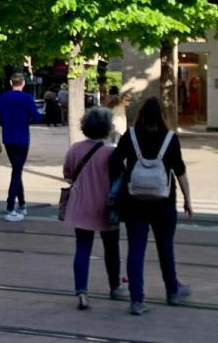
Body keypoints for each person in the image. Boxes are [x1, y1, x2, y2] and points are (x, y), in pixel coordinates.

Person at [109, 97, 193, 315]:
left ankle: (137, 300)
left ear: (141, 114)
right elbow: (180, 170)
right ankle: (172, 291)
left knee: (136, 250)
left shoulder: (130, 136)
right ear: (162, 116)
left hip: (134, 202)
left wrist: (128, 174)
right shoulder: (170, 138)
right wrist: (187, 199)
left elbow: (114, 162)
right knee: (166, 248)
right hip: (164, 203)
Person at [63, 107, 124, 311]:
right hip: (106, 207)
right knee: (112, 248)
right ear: (107, 128)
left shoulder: (75, 149)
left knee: (82, 248)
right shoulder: (111, 152)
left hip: (81, 205)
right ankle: (115, 287)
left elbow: (68, 174)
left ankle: (82, 292)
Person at [0, 73, 42, 222]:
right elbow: (37, 117)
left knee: (16, 170)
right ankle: (10, 207)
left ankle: (22, 204)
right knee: (16, 172)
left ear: (10, 82)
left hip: (8, 139)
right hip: (22, 139)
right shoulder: (27, 98)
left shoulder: (4, 97)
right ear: (23, 83)